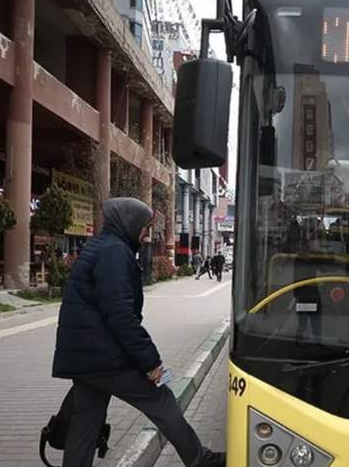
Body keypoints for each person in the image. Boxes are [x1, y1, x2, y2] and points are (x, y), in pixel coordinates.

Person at [52, 197, 225, 467]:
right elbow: (120, 315)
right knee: (162, 399)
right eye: (145, 228)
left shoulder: (100, 246)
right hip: (104, 356)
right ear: (129, 222)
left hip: (85, 357)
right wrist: (150, 361)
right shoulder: (114, 252)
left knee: (85, 423)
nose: (146, 235)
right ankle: (201, 461)